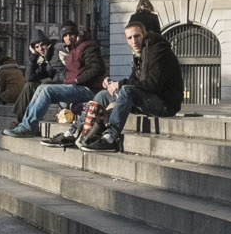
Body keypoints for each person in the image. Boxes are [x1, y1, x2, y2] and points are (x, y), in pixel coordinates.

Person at [63, 20, 184, 152]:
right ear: (126, 40)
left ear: (145, 34)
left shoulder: (157, 51)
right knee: (103, 95)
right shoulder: (140, 54)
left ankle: (110, 138)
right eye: (130, 38)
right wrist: (112, 83)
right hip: (149, 98)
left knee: (126, 90)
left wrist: (120, 84)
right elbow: (133, 81)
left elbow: (152, 85)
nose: (134, 41)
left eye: (137, 36)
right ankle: (75, 131)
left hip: (165, 104)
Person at [5, 24, 104, 137]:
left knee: (46, 88)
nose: (68, 38)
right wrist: (33, 57)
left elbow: (98, 68)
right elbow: (30, 77)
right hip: (72, 86)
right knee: (38, 86)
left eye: (71, 35)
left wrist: (77, 79)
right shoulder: (60, 55)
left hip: (85, 88)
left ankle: (29, 126)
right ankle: (24, 123)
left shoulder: (80, 47)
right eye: (65, 36)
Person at [13, 39, 54, 124]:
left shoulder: (54, 54)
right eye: (37, 47)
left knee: (35, 85)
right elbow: (29, 77)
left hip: (60, 83)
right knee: (29, 85)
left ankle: (22, 120)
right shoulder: (40, 60)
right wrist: (33, 56)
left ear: (48, 45)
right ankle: (20, 119)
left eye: (42, 45)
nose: (40, 49)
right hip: (47, 86)